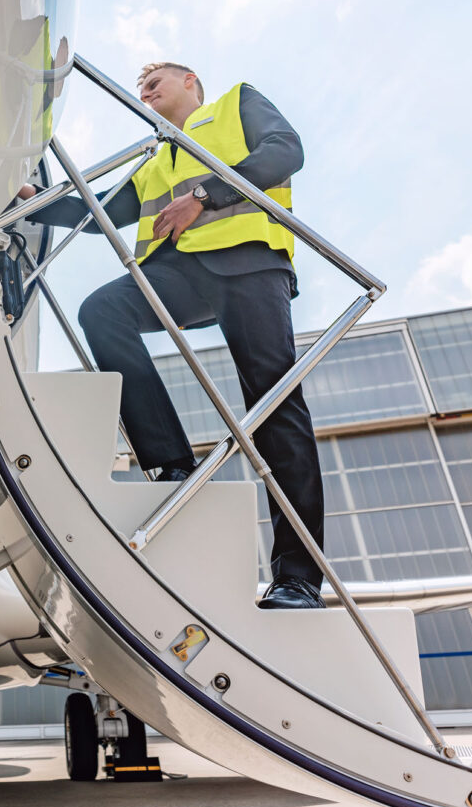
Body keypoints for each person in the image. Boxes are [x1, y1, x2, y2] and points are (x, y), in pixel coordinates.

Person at [21, 62, 325, 609]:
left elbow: (286, 151)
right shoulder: (155, 158)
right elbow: (103, 209)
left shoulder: (236, 102)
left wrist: (204, 196)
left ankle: (298, 578)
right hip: (181, 275)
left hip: (250, 265)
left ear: (191, 82)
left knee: (275, 404)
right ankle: (170, 461)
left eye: (157, 78)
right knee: (103, 309)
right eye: (140, 86)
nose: (145, 89)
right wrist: (33, 201)